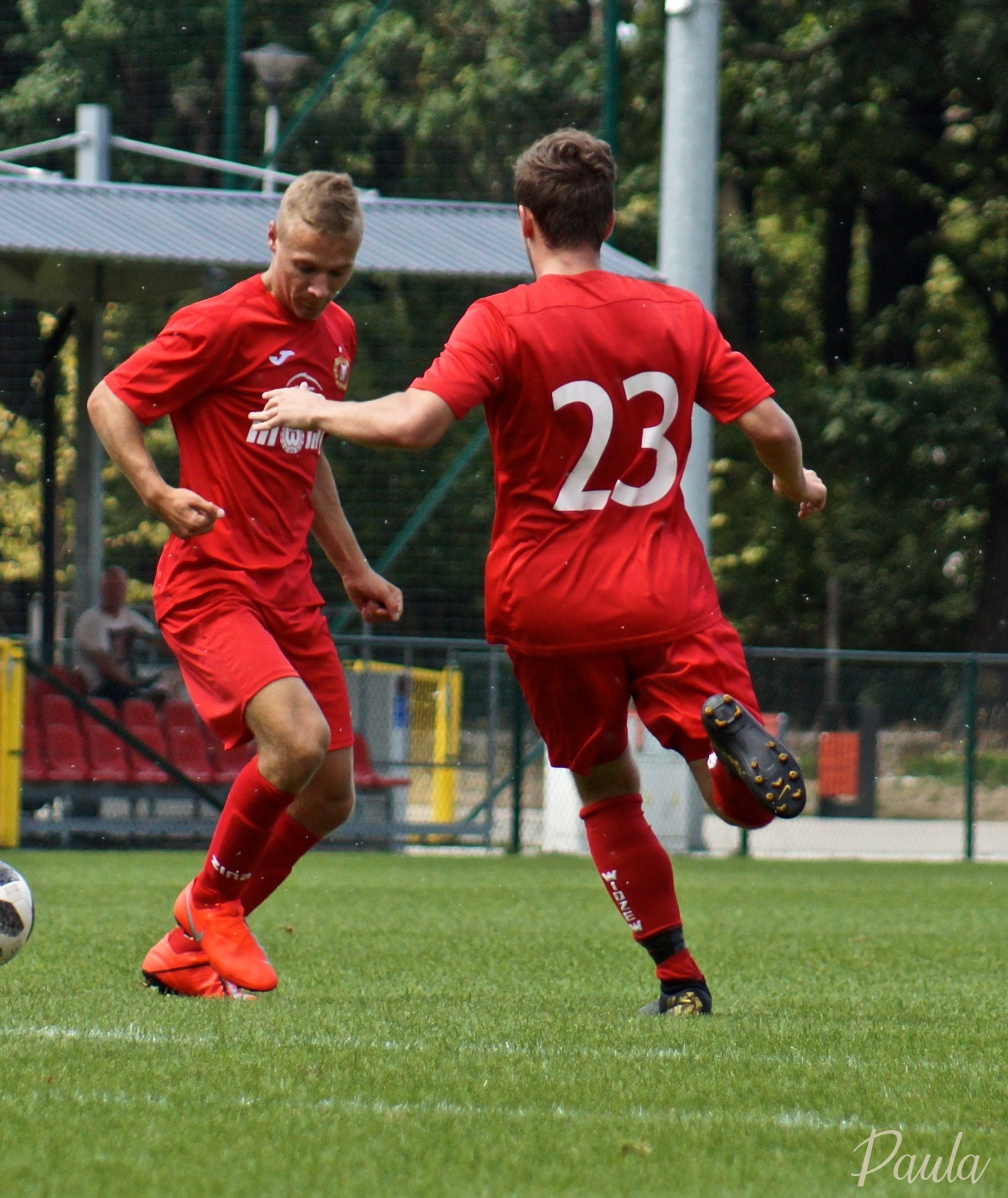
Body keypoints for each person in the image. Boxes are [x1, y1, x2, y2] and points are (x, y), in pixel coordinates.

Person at [252, 130, 826, 1016]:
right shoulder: (677, 312)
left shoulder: (501, 321)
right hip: (667, 592)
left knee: (605, 786)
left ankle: (679, 979)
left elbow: (413, 424)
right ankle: (725, 743)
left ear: (525, 221)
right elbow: (773, 429)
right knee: (733, 800)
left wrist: (317, 409)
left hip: (551, 603)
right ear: (610, 220)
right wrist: (795, 482)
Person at [88, 172, 403, 999]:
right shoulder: (219, 323)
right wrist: (155, 492)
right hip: (211, 584)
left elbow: (309, 453)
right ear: (272, 239)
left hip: (290, 592)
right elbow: (109, 399)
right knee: (296, 742)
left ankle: (183, 949)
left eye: (338, 272)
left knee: (331, 796)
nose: (319, 288)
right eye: (305, 267)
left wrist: (353, 566)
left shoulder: (337, 332)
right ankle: (215, 903)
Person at [72, 566, 161, 702]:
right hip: (102, 688)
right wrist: (136, 686)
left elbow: (157, 639)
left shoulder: (129, 617)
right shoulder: (91, 620)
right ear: (102, 589)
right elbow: (106, 667)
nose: (115, 592)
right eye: (111, 587)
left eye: (119, 587)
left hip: (129, 683)